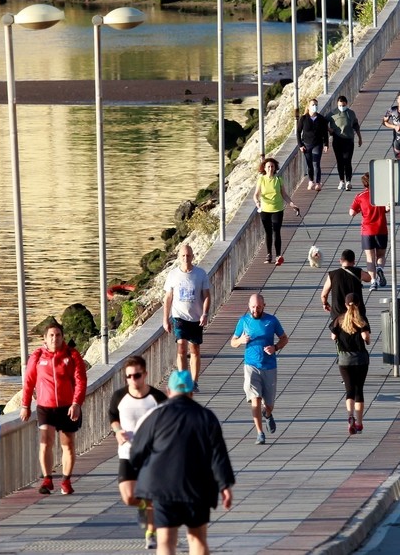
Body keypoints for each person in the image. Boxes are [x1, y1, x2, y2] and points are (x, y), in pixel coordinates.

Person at [129, 370, 235, 555]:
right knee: (197, 539)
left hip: (163, 487)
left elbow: (136, 452)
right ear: (191, 392)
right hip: (197, 487)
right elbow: (218, 455)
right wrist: (225, 485)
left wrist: (141, 475)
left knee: (166, 543)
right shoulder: (206, 417)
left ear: (168, 391)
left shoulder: (155, 416)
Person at [20, 320, 88, 495]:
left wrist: (76, 403)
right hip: (45, 407)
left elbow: (81, 380)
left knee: (68, 444)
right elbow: (28, 382)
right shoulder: (37, 356)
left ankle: (66, 480)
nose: (54, 339)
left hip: (67, 407)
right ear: (44, 338)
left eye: (58, 335)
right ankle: (47, 479)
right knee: (46, 442)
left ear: (63, 337)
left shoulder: (72, 355)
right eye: (51, 335)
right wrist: (25, 405)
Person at [108, 356, 167, 549]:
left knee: (150, 495)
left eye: (137, 375)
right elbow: (113, 417)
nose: (133, 380)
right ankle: (142, 507)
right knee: (129, 497)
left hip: (152, 456)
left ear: (145, 375)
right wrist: (117, 431)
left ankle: (151, 533)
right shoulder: (119, 397)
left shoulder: (157, 398)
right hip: (127, 452)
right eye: (129, 376)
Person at [230, 293, 289, 445]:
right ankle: (259, 433)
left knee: (269, 404)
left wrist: (275, 347)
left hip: (269, 366)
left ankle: (267, 414)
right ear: (249, 306)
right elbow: (233, 342)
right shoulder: (243, 321)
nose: (255, 310)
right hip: (251, 366)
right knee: (255, 399)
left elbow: (284, 338)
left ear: (264, 306)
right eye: (253, 307)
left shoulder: (271, 320)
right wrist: (241, 340)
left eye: (258, 307)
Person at [163, 243, 211, 389]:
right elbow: (168, 298)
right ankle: (183, 380)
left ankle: (194, 381)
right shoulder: (173, 275)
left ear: (193, 256)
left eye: (188, 255)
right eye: (183, 256)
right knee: (181, 347)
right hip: (179, 316)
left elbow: (207, 296)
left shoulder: (200, 274)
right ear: (179, 257)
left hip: (196, 317)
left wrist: (205, 313)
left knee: (194, 349)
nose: (186, 258)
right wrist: (165, 319)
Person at [329, 293, 371, 435]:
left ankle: (350, 417)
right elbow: (366, 337)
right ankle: (359, 423)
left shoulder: (339, 319)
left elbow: (333, 337)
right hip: (360, 359)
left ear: (346, 304)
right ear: (358, 304)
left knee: (349, 390)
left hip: (344, 360)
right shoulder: (362, 319)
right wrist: (366, 340)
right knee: (359, 390)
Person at [253, 157, 300, 265]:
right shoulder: (261, 179)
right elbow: (256, 194)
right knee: (268, 232)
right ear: (264, 168)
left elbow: (284, 194)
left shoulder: (278, 179)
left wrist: (292, 204)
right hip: (264, 209)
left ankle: (278, 255)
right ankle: (269, 254)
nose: (270, 168)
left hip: (277, 209)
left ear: (275, 168)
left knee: (276, 231)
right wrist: (257, 202)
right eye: (268, 167)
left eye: (272, 166)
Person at [349, 173, 389, 290]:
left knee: (370, 258)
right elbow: (387, 208)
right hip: (381, 229)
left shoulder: (360, 196)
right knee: (380, 255)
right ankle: (380, 268)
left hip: (367, 231)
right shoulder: (381, 195)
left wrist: (359, 210)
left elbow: (351, 212)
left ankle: (373, 281)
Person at [322, 249, 373, 318]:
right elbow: (370, 278)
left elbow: (324, 295)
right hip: (357, 313)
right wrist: (371, 263)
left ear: (340, 261)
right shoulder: (359, 272)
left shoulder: (332, 275)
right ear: (354, 262)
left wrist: (325, 303)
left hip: (338, 314)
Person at [327, 95, 363, 192]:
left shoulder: (351, 113)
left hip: (349, 140)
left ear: (346, 104)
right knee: (340, 161)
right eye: (340, 105)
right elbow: (323, 122)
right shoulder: (332, 113)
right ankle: (341, 180)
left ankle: (348, 181)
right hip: (337, 140)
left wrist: (359, 137)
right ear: (337, 105)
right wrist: (329, 129)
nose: (341, 107)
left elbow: (356, 125)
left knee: (347, 160)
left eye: (343, 105)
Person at [297, 98, 330, 191]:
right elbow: (298, 132)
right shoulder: (303, 118)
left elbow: (325, 133)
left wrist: (326, 144)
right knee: (309, 164)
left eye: (316, 105)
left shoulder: (321, 119)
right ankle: (311, 180)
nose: (314, 107)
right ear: (308, 106)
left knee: (316, 163)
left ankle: (318, 183)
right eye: (312, 105)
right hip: (306, 145)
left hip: (317, 144)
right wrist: (300, 145)